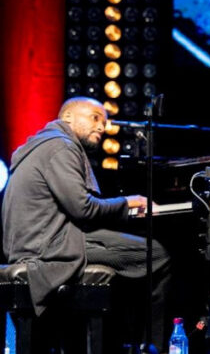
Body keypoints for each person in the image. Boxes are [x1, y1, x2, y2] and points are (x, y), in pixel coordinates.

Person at [2, 97, 172, 347]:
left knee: (130, 261)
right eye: (94, 118)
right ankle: (152, 346)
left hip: (39, 241)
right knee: (156, 255)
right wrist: (130, 202)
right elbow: (82, 208)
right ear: (68, 117)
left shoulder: (44, 146)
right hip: (51, 247)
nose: (102, 127)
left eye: (104, 122)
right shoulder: (61, 147)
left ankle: (115, 341)